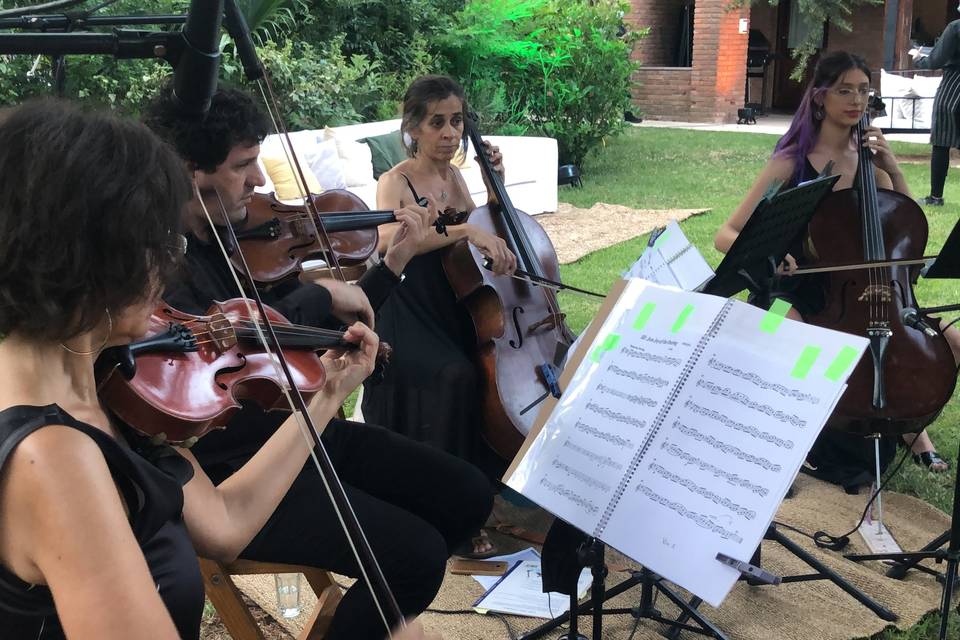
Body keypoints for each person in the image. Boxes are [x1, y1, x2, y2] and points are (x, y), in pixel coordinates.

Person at [0, 99, 381, 639]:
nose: (170, 263)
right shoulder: (54, 458)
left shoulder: (105, 389)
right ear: (94, 256)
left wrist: (325, 397)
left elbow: (224, 525)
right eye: (160, 241)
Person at [142, 84, 493, 640]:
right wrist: (323, 292)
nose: (260, 182)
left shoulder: (226, 240)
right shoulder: (161, 271)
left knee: (468, 495)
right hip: (240, 470)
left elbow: (314, 332)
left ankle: (379, 616)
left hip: (304, 432)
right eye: (245, 166)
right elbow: (247, 335)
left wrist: (391, 263)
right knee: (416, 557)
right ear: (190, 172)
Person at [715, 51, 954, 485]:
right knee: (779, 325)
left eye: (864, 90)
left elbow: (904, 229)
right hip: (800, 288)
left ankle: (910, 426)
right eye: (845, 89)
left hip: (872, 290)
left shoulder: (870, 160)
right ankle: (778, 440)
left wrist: (893, 168)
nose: (856, 100)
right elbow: (727, 234)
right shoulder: (790, 161)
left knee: (951, 339)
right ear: (820, 97)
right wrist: (770, 257)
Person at [360, 75, 520, 558]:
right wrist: (466, 231)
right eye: (437, 123)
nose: (450, 133)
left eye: (456, 121)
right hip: (407, 308)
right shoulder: (396, 180)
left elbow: (484, 230)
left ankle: (477, 490)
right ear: (412, 126)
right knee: (452, 375)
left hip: (453, 303)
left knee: (485, 370)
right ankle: (445, 506)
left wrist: (497, 190)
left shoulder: (454, 177)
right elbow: (390, 244)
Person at [912, 12, 960, 206]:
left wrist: (918, 59)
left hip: (954, 86)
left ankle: (935, 197)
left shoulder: (956, 27)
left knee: (941, 141)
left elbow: (936, 60)